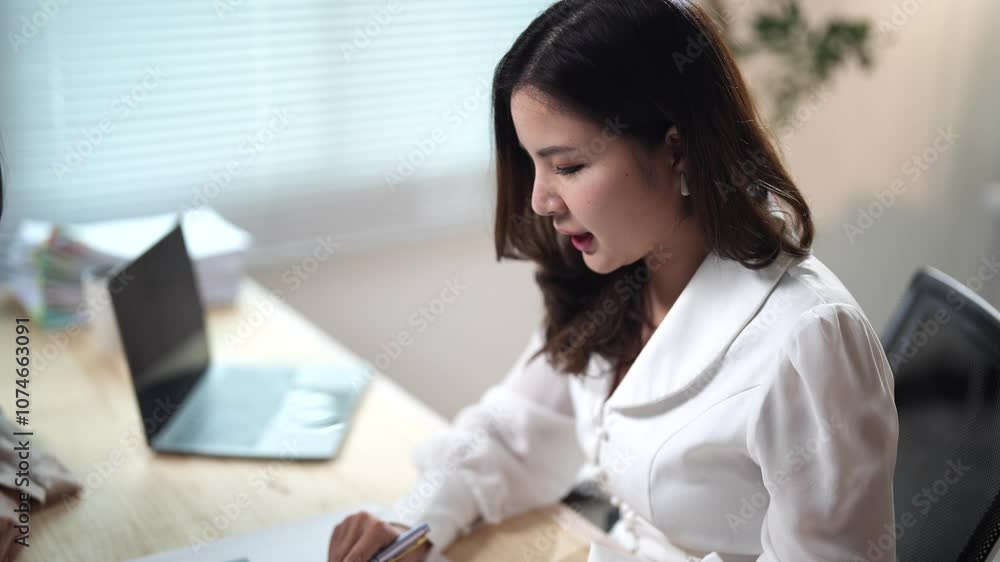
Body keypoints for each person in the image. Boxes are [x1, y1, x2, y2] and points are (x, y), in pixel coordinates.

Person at [328, 1, 899, 561]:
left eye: (568, 167)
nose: (540, 200)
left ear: (677, 150)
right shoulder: (616, 273)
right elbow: (514, 433)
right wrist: (410, 526)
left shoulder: (807, 340)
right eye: (533, 164)